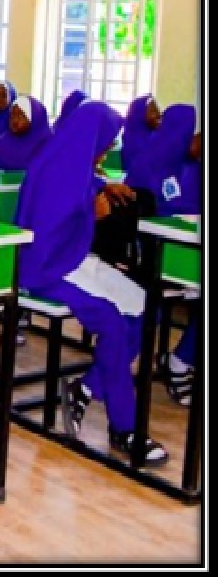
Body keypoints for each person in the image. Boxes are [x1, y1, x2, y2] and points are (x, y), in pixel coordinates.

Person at [15, 100, 169, 467]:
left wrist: (104, 186)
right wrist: (91, 211)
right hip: (46, 267)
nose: (108, 148)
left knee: (148, 310)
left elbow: (84, 182)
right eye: (106, 141)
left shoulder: (75, 159)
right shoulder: (52, 167)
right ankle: (125, 429)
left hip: (73, 257)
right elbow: (47, 232)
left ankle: (86, 388)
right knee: (113, 322)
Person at [124, 104, 201, 407]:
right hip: (148, 255)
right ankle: (179, 365)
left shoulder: (192, 167)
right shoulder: (150, 163)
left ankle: (180, 360)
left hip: (182, 251)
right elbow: (147, 211)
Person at [119, 94, 162, 172]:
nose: (159, 114)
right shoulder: (130, 142)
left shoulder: (157, 138)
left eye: (158, 110)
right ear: (139, 114)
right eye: (153, 111)